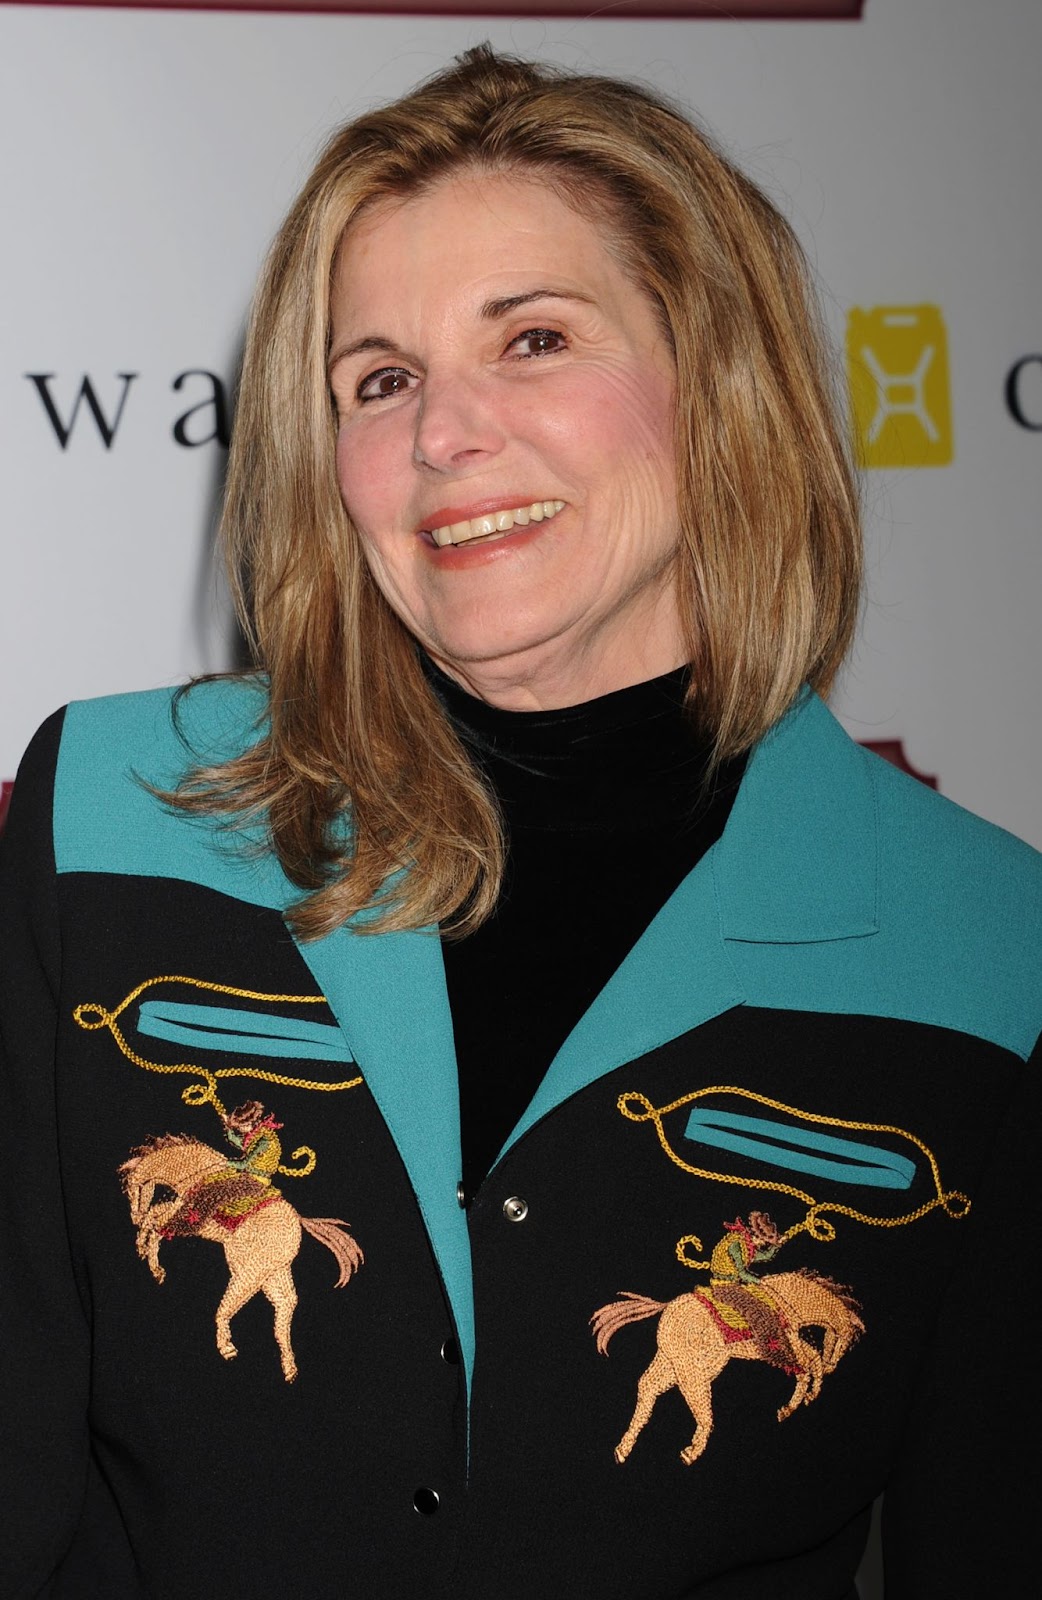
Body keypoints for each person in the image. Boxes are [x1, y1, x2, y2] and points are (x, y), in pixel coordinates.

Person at [1, 42, 1038, 1600]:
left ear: (718, 378)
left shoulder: (990, 945)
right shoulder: (111, 813)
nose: (440, 435)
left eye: (535, 338)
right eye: (379, 379)